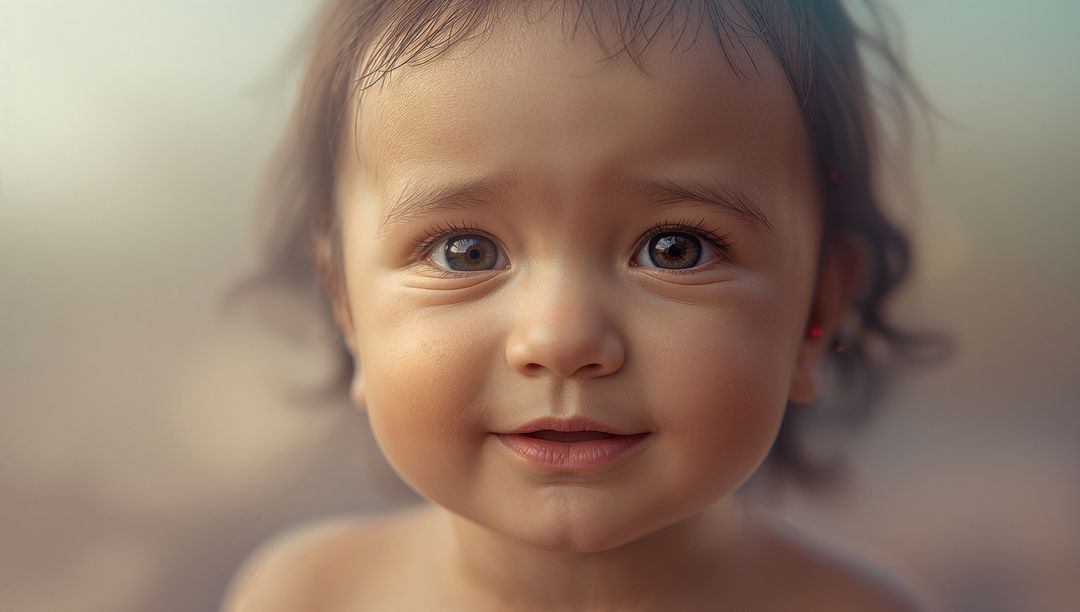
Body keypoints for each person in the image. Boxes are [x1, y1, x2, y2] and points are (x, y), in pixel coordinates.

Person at [223, 0, 937, 609]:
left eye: (675, 249)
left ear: (818, 308)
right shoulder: (307, 597)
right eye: (464, 252)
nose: (561, 338)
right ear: (346, 304)